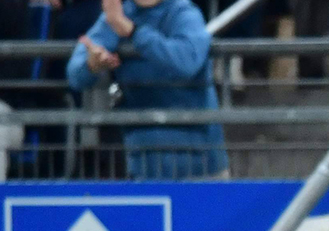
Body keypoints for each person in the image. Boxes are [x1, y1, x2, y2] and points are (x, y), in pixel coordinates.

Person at [66, 0, 227, 179]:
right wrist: (91, 65)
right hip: (142, 161)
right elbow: (75, 73)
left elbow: (186, 61)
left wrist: (133, 32)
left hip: (199, 162)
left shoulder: (184, 12)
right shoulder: (118, 15)